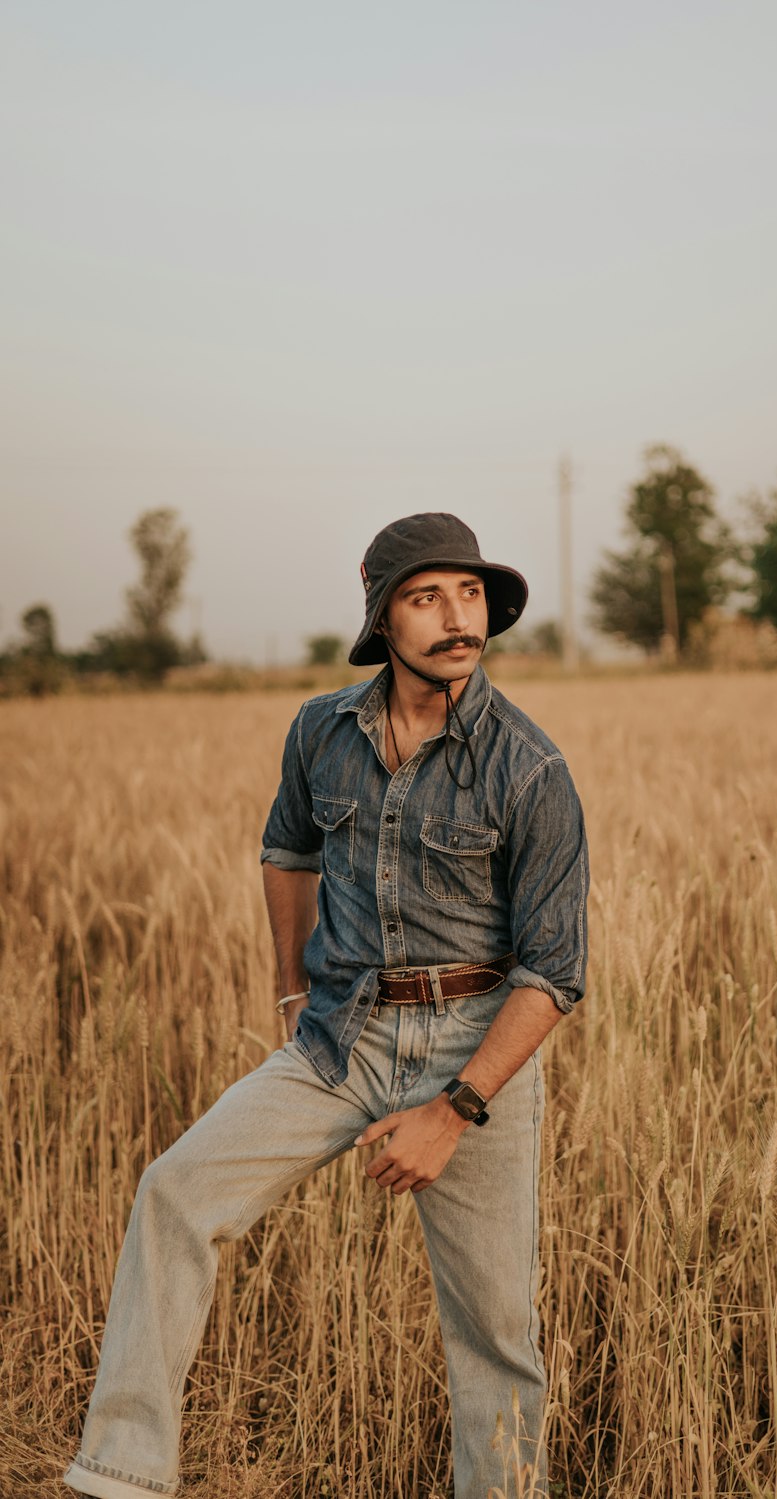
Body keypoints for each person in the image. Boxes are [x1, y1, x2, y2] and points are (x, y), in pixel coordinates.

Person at [64, 512, 589, 1499]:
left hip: (470, 1050)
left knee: (494, 1337)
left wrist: (452, 1110)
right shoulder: (322, 729)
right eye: (428, 595)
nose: (457, 617)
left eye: (470, 594)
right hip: (337, 1036)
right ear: (381, 612)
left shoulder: (530, 768)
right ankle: (122, 1471)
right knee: (173, 1192)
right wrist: (293, 985)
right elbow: (287, 848)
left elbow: (552, 973)